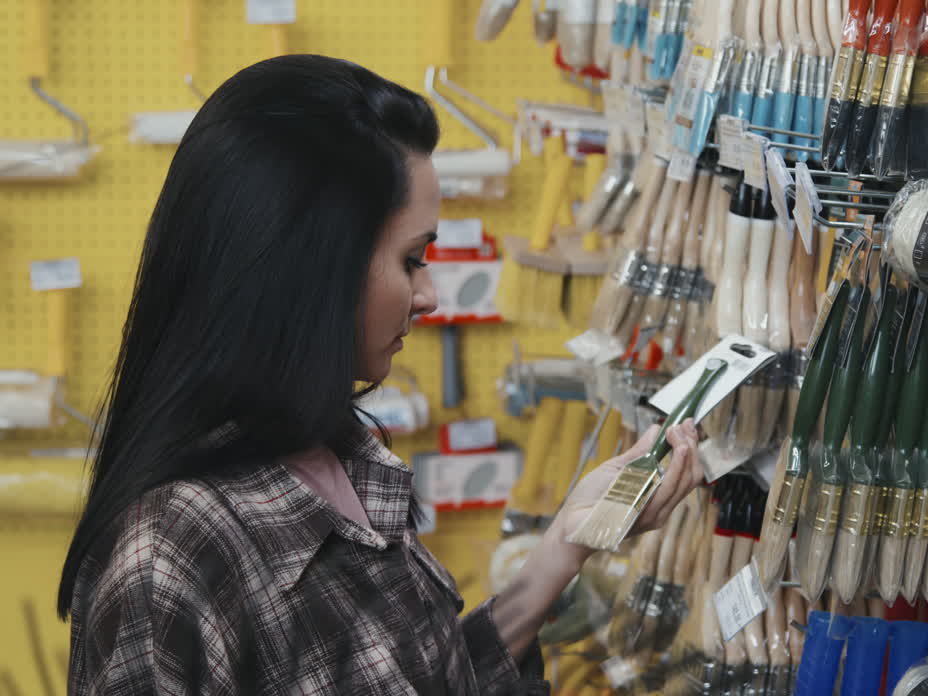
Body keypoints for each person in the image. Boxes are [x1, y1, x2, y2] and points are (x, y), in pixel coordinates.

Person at [59, 55, 704, 695]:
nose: (429, 295)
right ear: (315, 263)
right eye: (412, 258)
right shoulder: (167, 561)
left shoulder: (333, 452)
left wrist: (569, 537)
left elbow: (427, 681)